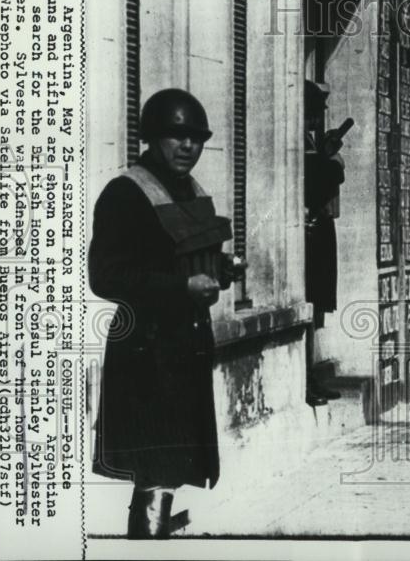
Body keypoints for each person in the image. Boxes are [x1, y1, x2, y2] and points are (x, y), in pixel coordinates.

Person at [89, 89, 242, 539]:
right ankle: (148, 542)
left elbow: (182, 256)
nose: (187, 146)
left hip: (186, 349)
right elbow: (105, 277)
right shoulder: (126, 192)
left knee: (173, 466)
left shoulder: (191, 189)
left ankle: (155, 536)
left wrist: (221, 268)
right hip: (145, 353)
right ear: (153, 138)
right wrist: (181, 288)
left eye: (196, 138)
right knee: (154, 470)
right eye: (176, 137)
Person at [304, 80, 345, 403]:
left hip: (318, 230)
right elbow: (318, 180)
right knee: (311, 301)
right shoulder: (299, 143)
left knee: (316, 306)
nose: (317, 120)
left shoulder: (309, 141)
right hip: (310, 231)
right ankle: (308, 379)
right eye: (315, 112)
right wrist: (329, 159)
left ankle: (312, 376)